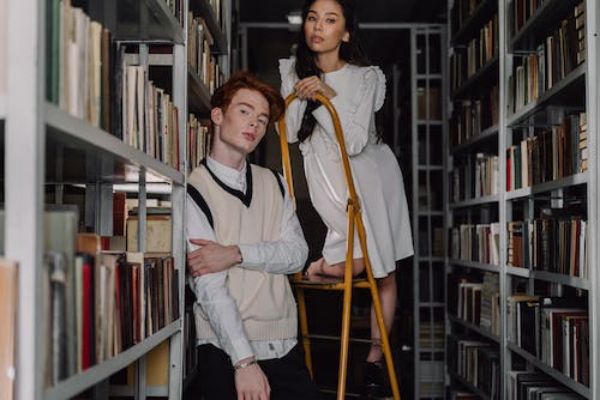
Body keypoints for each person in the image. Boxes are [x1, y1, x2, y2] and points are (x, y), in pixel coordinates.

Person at [278, 0, 414, 395]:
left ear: (346, 32)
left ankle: (374, 361)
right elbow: (289, 133)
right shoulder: (293, 71)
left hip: (372, 177)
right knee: (357, 263)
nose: (318, 26)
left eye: (330, 20)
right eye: (312, 18)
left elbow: (354, 141)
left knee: (384, 271)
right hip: (329, 177)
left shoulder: (366, 76)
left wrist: (326, 95)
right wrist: (303, 89)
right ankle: (321, 266)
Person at [186, 71, 321, 400]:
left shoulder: (274, 182)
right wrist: (244, 362)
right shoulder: (192, 189)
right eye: (244, 111)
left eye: (262, 119)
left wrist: (235, 253)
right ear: (218, 115)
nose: (254, 125)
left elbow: (296, 255)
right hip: (224, 350)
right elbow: (210, 287)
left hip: (283, 344)